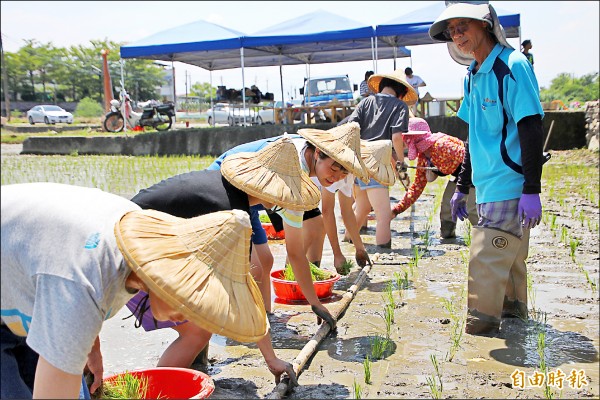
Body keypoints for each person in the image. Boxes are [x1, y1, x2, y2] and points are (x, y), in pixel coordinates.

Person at [0, 182, 296, 398]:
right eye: (189, 300)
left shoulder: (130, 242)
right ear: (162, 276)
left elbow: (66, 262)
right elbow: (76, 283)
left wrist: (92, 346)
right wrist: (76, 336)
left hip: (24, 290)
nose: (188, 316)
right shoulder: (82, 284)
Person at [126, 136, 320, 370]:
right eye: (285, 193)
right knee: (197, 332)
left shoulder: (225, 187)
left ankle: (191, 369)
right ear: (271, 190)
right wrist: (271, 359)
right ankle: (163, 390)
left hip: (134, 238)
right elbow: (243, 288)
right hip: (132, 249)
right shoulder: (233, 214)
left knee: (203, 313)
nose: (284, 200)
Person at [430, 2, 545, 335]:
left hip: (509, 182)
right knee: (507, 264)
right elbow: (473, 135)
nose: (457, 35)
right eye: (452, 31)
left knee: (485, 261)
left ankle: (479, 334)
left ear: (486, 26)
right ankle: (515, 320)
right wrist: (463, 185)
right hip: (485, 184)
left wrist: (531, 189)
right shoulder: (472, 75)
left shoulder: (512, 66)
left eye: (463, 26)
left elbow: (531, 126)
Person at [344, 68, 418, 248]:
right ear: (401, 92)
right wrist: (400, 162)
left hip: (358, 159)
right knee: (383, 215)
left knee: (361, 208)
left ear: (382, 86)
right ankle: (384, 253)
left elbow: (350, 127)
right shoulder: (399, 106)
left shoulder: (365, 102)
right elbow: (397, 137)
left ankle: (347, 241)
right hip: (377, 161)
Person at [391, 118, 478, 235]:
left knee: (472, 209)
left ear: (412, 139)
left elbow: (472, 159)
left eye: (406, 139)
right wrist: (396, 210)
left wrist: (465, 187)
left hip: (475, 175)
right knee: (447, 205)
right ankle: (448, 235)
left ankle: (487, 239)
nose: (404, 143)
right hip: (460, 177)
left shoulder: (442, 145)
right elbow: (417, 187)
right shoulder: (423, 158)